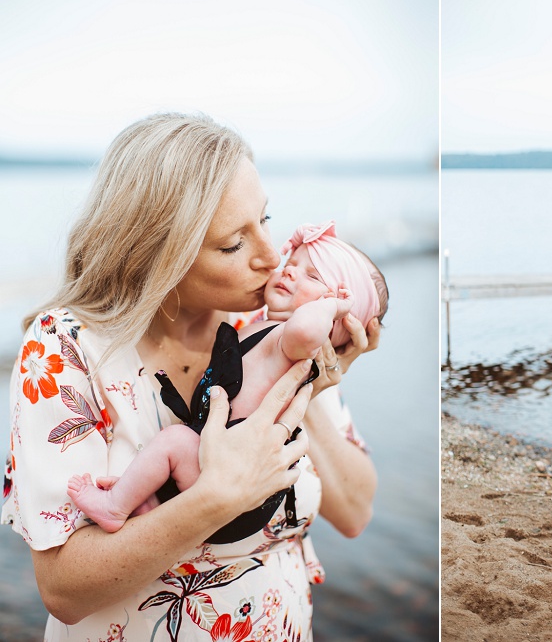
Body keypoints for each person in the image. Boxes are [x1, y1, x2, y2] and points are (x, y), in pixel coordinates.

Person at [1, 113, 380, 641]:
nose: (272, 257)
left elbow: (355, 511)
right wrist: (216, 498)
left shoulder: (270, 324)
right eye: (233, 245)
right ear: (156, 251)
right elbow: (64, 591)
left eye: (265, 220)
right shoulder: (65, 347)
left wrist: (307, 384)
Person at [66, 221, 388, 540]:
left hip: (234, 473)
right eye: (292, 262)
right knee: (173, 447)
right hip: (220, 463)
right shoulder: (264, 324)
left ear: (334, 321)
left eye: (313, 277)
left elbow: (355, 516)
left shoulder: (291, 340)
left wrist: (333, 308)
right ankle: (142, 496)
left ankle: (114, 506)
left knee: (173, 442)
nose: (283, 267)